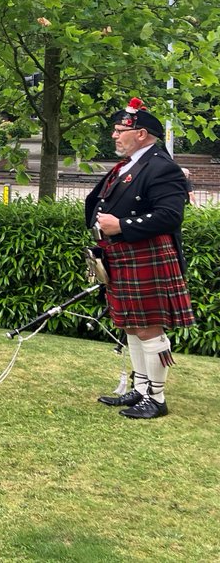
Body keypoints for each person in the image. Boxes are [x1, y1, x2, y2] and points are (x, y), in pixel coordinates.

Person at [87, 97, 194, 420]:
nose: (115, 136)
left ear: (143, 134)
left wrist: (120, 225)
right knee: (132, 327)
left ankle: (157, 398)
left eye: (121, 130)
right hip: (123, 254)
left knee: (149, 328)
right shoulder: (130, 164)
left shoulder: (162, 167)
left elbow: (169, 216)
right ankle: (142, 387)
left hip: (144, 254)